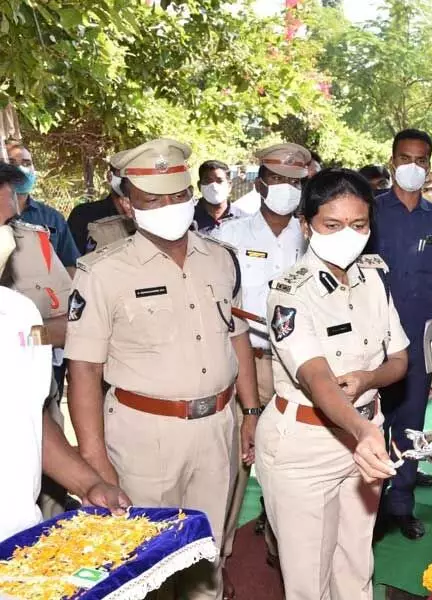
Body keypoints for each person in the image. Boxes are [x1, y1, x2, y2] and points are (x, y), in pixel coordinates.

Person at [65, 138, 261, 600]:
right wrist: (95, 463)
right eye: (153, 199)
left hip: (217, 427)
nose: (169, 207)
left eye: (177, 196)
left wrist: (249, 414)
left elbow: (238, 338)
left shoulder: (220, 258)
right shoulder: (102, 272)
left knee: (205, 560)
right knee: (142, 568)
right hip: (143, 437)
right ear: (127, 204)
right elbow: (84, 372)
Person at [256, 168, 407, 600]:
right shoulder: (290, 293)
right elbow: (316, 378)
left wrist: (368, 379)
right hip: (307, 444)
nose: (348, 235)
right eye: (332, 225)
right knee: (309, 579)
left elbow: (398, 359)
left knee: (357, 562)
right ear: (307, 226)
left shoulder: (373, 278)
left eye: (358, 225)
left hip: (364, 437)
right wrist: (362, 431)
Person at [1, 183, 130, 541]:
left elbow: (27, 419)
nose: (4, 238)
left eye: (8, 223)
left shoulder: (17, 314)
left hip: (18, 537)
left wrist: (88, 483)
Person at [211, 144, 309, 579]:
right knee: (234, 463)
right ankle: (218, 556)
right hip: (245, 361)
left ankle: (282, 546)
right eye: (278, 179)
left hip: (298, 368)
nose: (286, 189)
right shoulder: (227, 237)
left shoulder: (315, 237)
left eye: (295, 181)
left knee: (289, 460)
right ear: (260, 183)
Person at [374, 129, 432, 540]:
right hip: (372, 344)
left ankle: (401, 505)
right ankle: (370, 506)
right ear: (393, 161)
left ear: (429, 165)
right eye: (405, 158)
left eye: (421, 159)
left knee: (410, 425)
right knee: (374, 424)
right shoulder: (370, 214)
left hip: (419, 343)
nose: (413, 166)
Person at [4, 141, 80, 275]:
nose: (21, 169)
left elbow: (70, 266)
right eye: (12, 163)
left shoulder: (52, 218)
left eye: (27, 163)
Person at [67, 152, 131, 255]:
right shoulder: (83, 215)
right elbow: (72, 262)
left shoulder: (148, 216)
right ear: (110, 177)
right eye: (125, 174)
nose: (129, 181)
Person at [231, 144, 309, 215]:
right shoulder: (232, 229)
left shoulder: (309, 229)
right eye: (277, 178)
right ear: (258, 185)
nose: (287, 187)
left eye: (295, 181)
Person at [194, 160, 245, 234]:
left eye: (219, 181)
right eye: (208, 181)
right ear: (199, 186)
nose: (214, 186)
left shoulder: (243, 219)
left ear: (229, 185)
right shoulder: (187, 218)